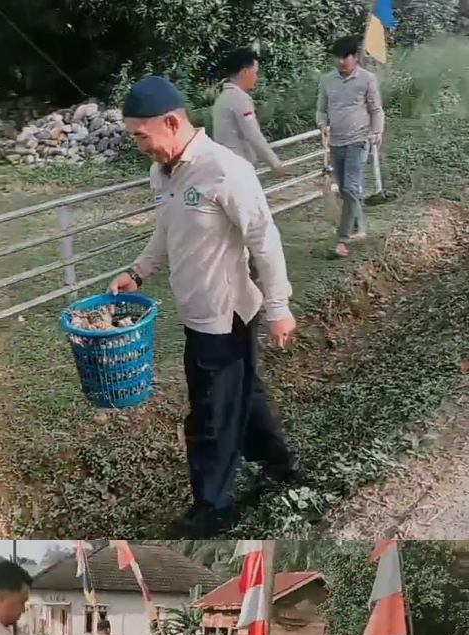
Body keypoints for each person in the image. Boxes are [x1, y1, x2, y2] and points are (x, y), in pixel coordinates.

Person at [112, 75, 301, 540]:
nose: (140, 146)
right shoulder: (164, 171)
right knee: (245, 395)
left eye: (141, 135)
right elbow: (166, 228)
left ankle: (214, 509)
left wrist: (279, 306)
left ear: (172, 122)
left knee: (209, 417)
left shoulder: (225, 170)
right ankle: (281, 467)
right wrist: (138, 271)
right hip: (196, 313)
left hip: (226, 315)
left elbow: (264, 239)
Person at [317, 36, 385, 258]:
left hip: (359, 140)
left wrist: (377, 131)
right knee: (347, 189)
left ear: (355, 57)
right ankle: (359, 228)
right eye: (337, 57)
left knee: (350, 189)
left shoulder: (367, 79)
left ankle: (342, 239)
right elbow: (321, 109)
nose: (341, 61)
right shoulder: (328, 81)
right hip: (336, 142)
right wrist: (322, 123)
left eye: (345, 57)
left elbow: (376, 109)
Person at [212, 48, 287, 177]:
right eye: (255, 73)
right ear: (245, 72)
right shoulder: (239, 98)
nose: (256, 78)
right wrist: (275, 163)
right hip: (239, 165)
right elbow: (253, 135)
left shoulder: (222, 98)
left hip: (225, 163)